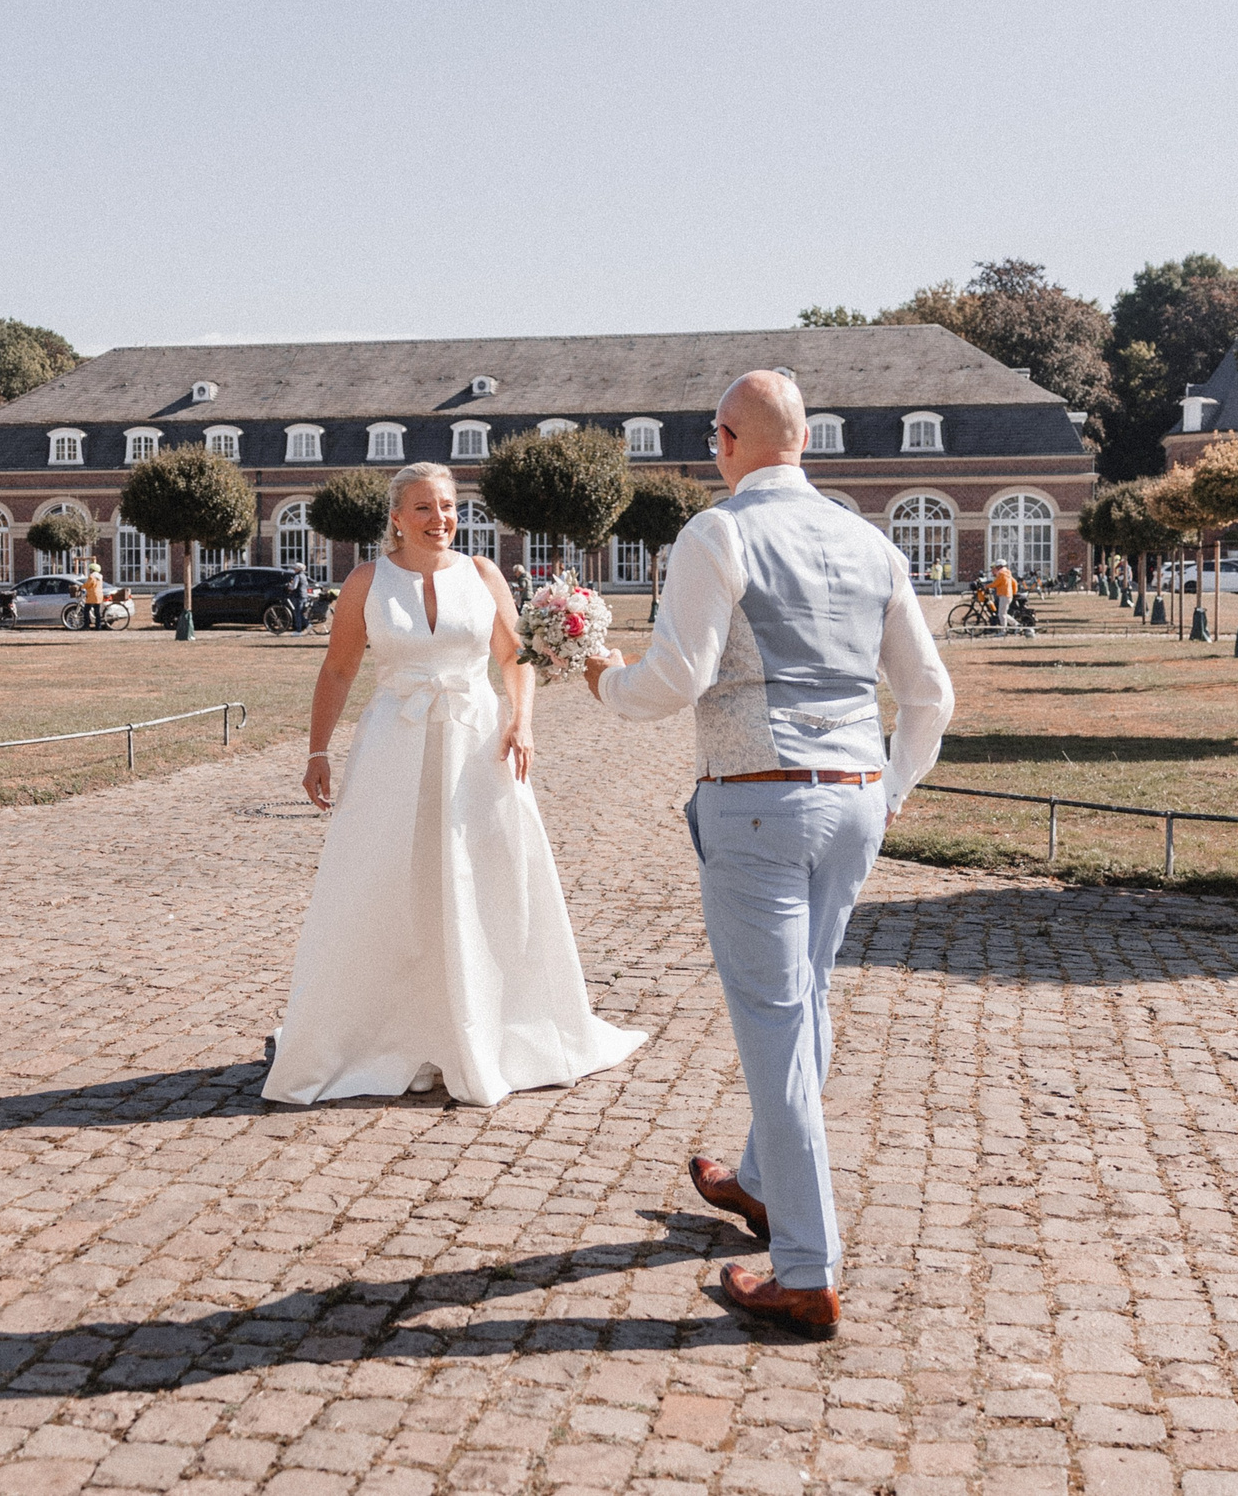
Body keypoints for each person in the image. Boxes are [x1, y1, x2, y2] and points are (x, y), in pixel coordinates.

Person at [586, 370, 952, 1339]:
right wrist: (889, 789)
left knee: (776, 1027)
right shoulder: (869, 541)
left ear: (724, 439)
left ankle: (804, 1268)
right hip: (852, 800)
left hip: (756, 802)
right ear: (803, 441)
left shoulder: (719, 531)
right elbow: (929, 697)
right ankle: (755, 1183)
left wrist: (601, 682)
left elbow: (678, 675)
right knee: (808, 1000)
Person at [264, 461, 645, 1108]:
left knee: (483, 876)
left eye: (447, 507)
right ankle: (383, 1030)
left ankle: (488, 1023)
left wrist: (521, 721)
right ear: (396, 516)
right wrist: (317, 750)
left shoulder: (481, 574)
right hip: (393, 747)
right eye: (424, 508)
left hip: (476, 744)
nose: (440, 519)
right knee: (386, 880)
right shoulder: (365, 581)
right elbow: (337, 670)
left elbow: (514, 658)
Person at [82, 559, 106, 630]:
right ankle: (98, 626)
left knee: (86, 610)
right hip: (99, 595)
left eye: (90, 569)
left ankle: (86, 625)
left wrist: (81, 587)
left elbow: (88, 584)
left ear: (92, 570)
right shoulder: (100, 577)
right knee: (97, 612)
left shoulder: (92, 576)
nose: (90, 571)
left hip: (92, 596)